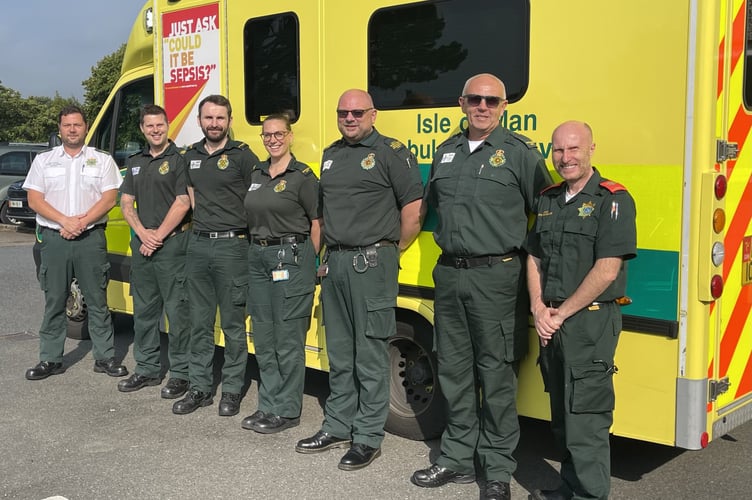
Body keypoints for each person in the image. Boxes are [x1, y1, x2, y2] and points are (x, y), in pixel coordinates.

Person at [411, 73, 552, 500]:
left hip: (498, 277)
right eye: (475, 99)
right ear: (461, 102)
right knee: (453, 372)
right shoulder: (446, 152)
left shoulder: (520, 154)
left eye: (491, 100)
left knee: (496, 376)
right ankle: (454, 458)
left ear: (504, 105)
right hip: (450, 275)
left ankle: (495, 469)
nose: (483, 106)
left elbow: (544, 215)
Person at [295, 89, 423, 471]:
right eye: (343, 112)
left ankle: (367, 436)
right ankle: (337, 425)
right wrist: (323, 259)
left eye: (357, 112)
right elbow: (326, 213)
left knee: (369, 353)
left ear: (373, 114)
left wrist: (389, 253)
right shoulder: (331, 155)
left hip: (371, 263)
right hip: (335, 264)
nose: (349, 118)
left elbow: (413, 210)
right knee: (340, 352)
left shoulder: (390, 151)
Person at [526, 121, 636, 500]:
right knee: (563, 417)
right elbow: (534, 256)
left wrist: (559, 314)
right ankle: (569, 488)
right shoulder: (549, 198)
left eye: (574, 149)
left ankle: (590, 495)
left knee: (586, 420)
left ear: (591, 149)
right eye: (558, 150)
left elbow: (607, 270)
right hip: (553, 321)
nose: (565, 157)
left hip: (588, 323)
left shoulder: (613, 199)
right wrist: (538, 307)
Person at [24, 105, 127, 380]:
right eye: (67, 125)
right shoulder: (44, 161)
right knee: (55, 299)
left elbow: (109, 199)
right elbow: (35, 200)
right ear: (60, 129)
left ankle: (105, 358)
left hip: (91, 239)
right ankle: (50, 359)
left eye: (77, 125)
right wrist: (65, 221)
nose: (72, 130)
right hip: (55, 239)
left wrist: (80, 222)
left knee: (97, 300)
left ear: (85, 127)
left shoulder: (101, 160)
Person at [172, 95, 260, 416]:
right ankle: (200, 388)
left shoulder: (243, 157)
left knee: (234, 324)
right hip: (198, 245)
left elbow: (258, 200)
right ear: (199, 121)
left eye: (220, 118)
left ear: (229, 121)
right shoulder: (190, 156)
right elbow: (191, 196)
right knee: (199, 322)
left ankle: (233, 390)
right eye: (208, 118)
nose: (214, 123)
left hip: (232, 248)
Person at [240, 113, 321, 434]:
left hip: (291, 258)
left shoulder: (302, 176)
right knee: (264, 333)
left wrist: (309, 263)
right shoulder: (257, 173)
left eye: (278, 134)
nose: (272, 139)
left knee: (287, 336)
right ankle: (268, 404)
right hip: (258, 256)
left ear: (289, 136)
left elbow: (318, 222)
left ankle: (287, 410)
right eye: (267, 135)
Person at [117, 104, 192, 398]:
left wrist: (157, 236)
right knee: (144, 312)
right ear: (142, 130)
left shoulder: (180, 160)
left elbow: (183, 202)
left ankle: (181, 374)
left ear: (167, 124)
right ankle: (147, 369)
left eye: (160, 124)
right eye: (149, 126)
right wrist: (142, 234)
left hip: (172, 245)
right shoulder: (136, 162)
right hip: (143, 245)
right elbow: (126, 202)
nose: (155, 130)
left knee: (178, 312)